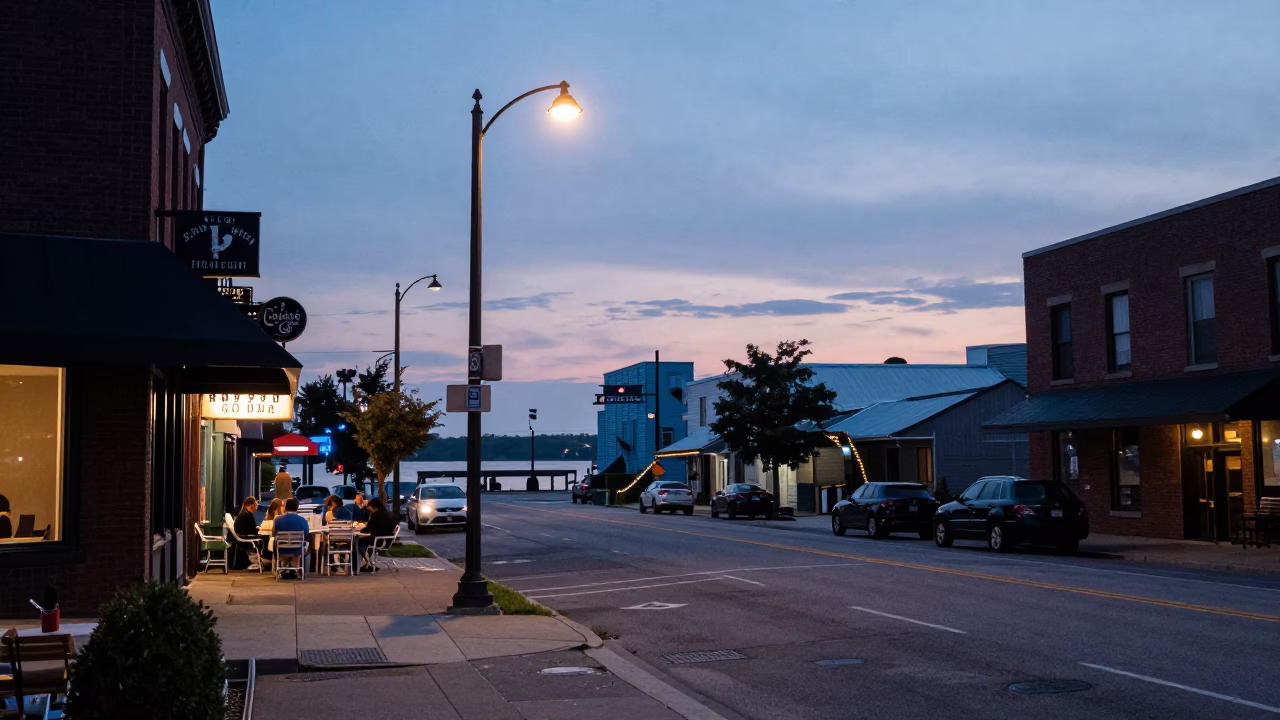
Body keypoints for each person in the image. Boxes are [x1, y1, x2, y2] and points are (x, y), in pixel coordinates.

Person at [272, 498, 310, 578]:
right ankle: (297, 567)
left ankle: (283, 567)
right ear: (297, 508)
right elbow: (306, 535)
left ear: (285, 507)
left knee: (274, 543)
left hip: (281, 549)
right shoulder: (303, 520)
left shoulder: (277, 520)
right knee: (304, 544)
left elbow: (274, 534)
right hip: (298, 549)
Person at [357, 497, 398, 572]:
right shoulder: (388, 514)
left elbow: (368, 529)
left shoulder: (376, 516)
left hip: (378, 540)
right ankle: (368, 563)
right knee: (365, 541)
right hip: (386, 539)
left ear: (374, 507)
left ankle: (368, 563)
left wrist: (360, 529)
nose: (369, 510)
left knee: (359, 543)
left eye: (370, 508)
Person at [231, 496, 260, 570]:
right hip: (245, 540)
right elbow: (253, 531)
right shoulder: (247, 515)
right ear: (252, 505)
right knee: (265, 539)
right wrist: (259, 529)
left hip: (241, 538)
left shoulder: (244, 514)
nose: (256, 507)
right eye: (256, 504)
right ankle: (266, 561)